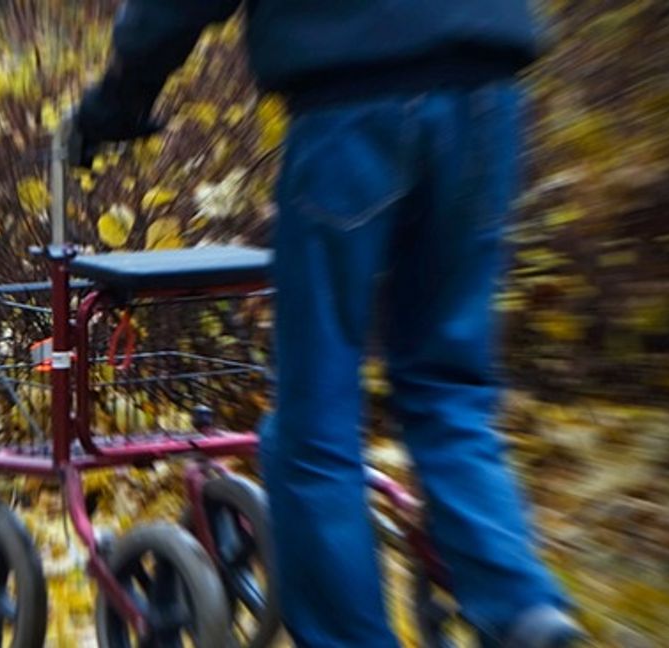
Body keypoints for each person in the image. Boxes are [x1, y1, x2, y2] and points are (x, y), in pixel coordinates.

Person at [74, 1, 587, 646]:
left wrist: (121, 98)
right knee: (448, 391)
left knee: (314, 420)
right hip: (487, 96)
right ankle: (521, 608)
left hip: (352, 103)